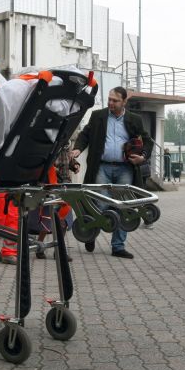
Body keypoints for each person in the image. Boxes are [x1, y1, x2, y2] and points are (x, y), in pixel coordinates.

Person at [71, 86, 152, 259]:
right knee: (99, 204)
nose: (111, 103)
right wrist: (77, 149)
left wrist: (142, 157)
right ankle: (91, 233)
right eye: (109, 99)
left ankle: (118, 246)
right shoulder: (98, 116)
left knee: (123, 206)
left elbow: (147, 140)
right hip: (102, 167)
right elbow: (85, 134)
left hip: (125, 169)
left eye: (115, 100)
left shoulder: (134, 119)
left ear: (124, 102)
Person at [35, 143, 80, 259]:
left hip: (65, 186)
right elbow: (40, 161)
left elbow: (69, 160)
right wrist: (51, 168)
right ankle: (39, 246)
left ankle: (59, 251)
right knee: (47, 219)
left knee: (64, 220)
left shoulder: (66, 144)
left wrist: (74, 165)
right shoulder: (49, 142)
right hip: (51, 185)